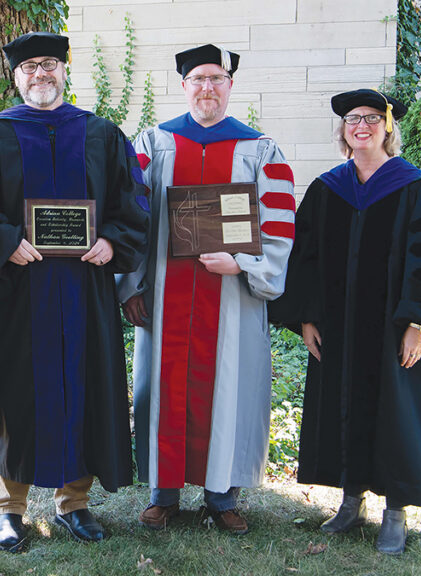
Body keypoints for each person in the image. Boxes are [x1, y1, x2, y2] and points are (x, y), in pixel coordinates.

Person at [0, 31, 149, 552]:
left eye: (49, 65)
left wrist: (113, 241)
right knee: (14, 393)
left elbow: (133, 201)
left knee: (84, 386)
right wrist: (4, 242)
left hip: (83, 287)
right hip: (18, 288)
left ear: (64, 70)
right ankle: (8, 508)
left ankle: (74, 503)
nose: (40, 74)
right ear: (15, 76)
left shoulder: (103, 134)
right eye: (29, 67)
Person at [269, 89, 421, 554]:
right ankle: (350, 500)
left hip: (393, 329)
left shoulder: (415, 187)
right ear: (342, 130)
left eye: (373, 118)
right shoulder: (326, 189)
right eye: (353, 119)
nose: (362, 126)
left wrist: (419, 322)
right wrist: (306, 319)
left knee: (396, 413)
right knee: (342, 406)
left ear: (388, 126)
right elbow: (307, 259)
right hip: (338, 328)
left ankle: (395, 512)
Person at [117, 44, 296, 534]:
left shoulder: (261, 150)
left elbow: (278, 227)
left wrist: (240, 263)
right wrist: (131, 285)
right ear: (184, 85)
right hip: (165, 296)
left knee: (230, 390)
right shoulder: (153, 144)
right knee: (162, 389)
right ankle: (163, 493)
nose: (207, 87)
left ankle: (222, 496)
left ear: (230, 85)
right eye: (198, 78)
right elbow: (131, 217)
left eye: (216, 78)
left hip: (231, 300)